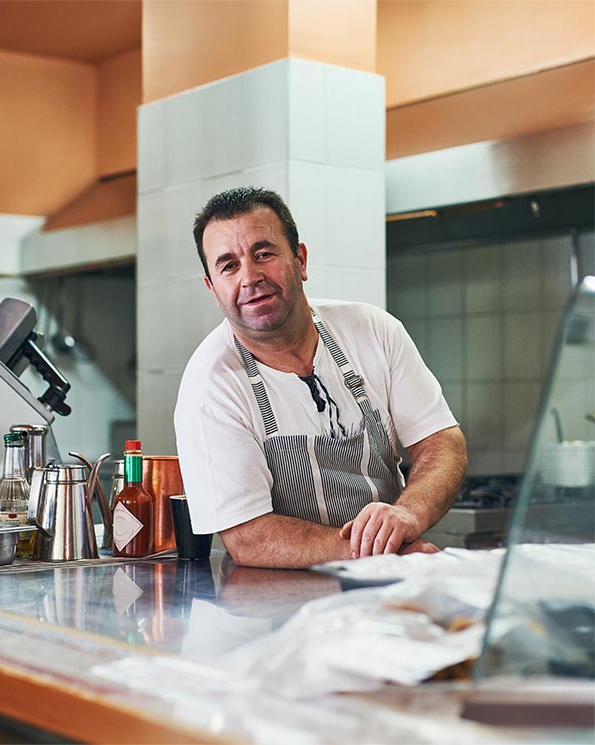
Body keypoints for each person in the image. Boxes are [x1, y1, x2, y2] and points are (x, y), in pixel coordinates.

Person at [174, 187, 467, 569]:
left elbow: (443, 443)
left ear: (300, 259)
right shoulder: (210, 384)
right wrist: (380, 552)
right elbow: (250, 538)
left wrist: (408, 514)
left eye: (264, 254)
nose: (250, 277)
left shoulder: (374, 331)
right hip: (276, 607)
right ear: (213, 288)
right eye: (228, 266)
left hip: (387, 588)